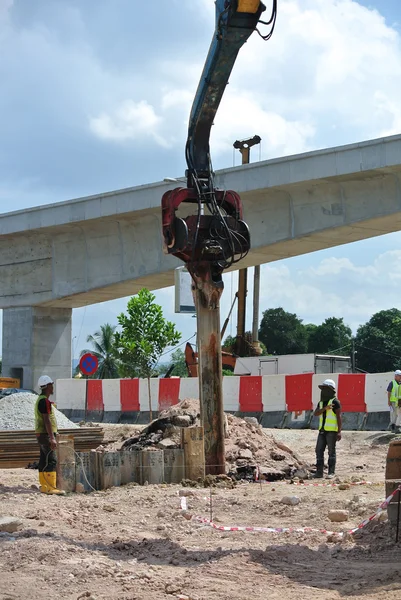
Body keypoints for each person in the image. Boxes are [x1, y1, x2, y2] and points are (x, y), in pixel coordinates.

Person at [34, 375, 65, 495]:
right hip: (45, 435)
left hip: (41, 434)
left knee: (43, 459)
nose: (53, 387)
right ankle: (51, 487)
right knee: (52, 460)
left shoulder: (40, 399)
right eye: (51, 384)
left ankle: (44, 486)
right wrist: (52, 437)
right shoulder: (44, 401)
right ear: (47, 386)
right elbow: (46, 420)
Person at [313, 378, 342, 479]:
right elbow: (316, 413)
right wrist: (325, 408)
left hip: (331, 432)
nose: (323, 391)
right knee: (319, 450)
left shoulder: (335, 402)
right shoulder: (321, 403)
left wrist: (339, 432)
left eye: (325, 389)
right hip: (322, 431)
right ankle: (319, 472)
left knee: (331, 451)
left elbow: (339, 417)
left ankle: (331, 472)